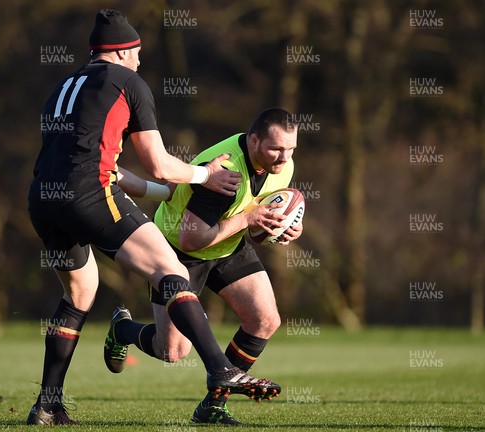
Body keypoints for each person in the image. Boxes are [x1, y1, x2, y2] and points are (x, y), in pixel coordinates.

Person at [26, 9, 280, 426]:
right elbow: (159, 164)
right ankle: (221, 368)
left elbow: (110, 167)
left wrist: (169, 191)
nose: (141, 61)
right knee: (170, 270)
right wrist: (205, 174)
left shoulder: (65, 84)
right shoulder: (129, 83)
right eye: (138, 52)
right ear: (123, 51)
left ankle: (47, 405)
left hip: (42, 198)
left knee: (78, 296)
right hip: (89, 194)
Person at [104, 108, 301, 425]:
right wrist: (248, 220)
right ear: (253, 141)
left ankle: (213, 405)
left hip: (228, 244)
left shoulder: (283, 164)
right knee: (172, 352)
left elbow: (264, 208)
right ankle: (122, 330)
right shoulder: (226, 172)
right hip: (179, 251)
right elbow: (193, 239)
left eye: (290, 149)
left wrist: (285, 228)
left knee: (264, 320)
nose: (284, 158)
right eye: (276, 149)